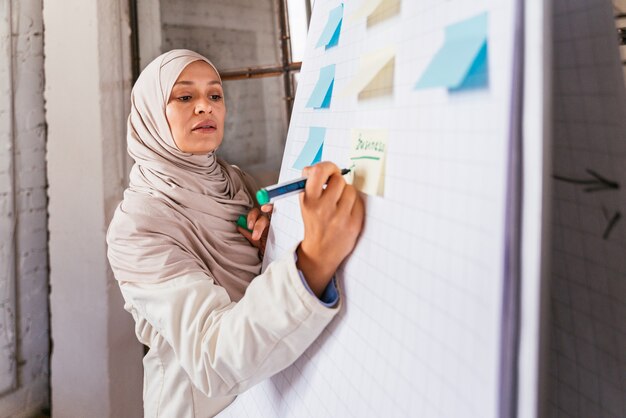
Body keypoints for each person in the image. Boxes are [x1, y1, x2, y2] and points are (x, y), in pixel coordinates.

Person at [106, 49, 364, 417]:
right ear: (150, 114)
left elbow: (253, 285)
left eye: (215, 95)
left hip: (280, 385)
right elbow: (211, 359)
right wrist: (312, 262)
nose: (204, 107)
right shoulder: (137, 225)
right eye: (184, 96)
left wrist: (268, 249)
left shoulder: (234, 181)